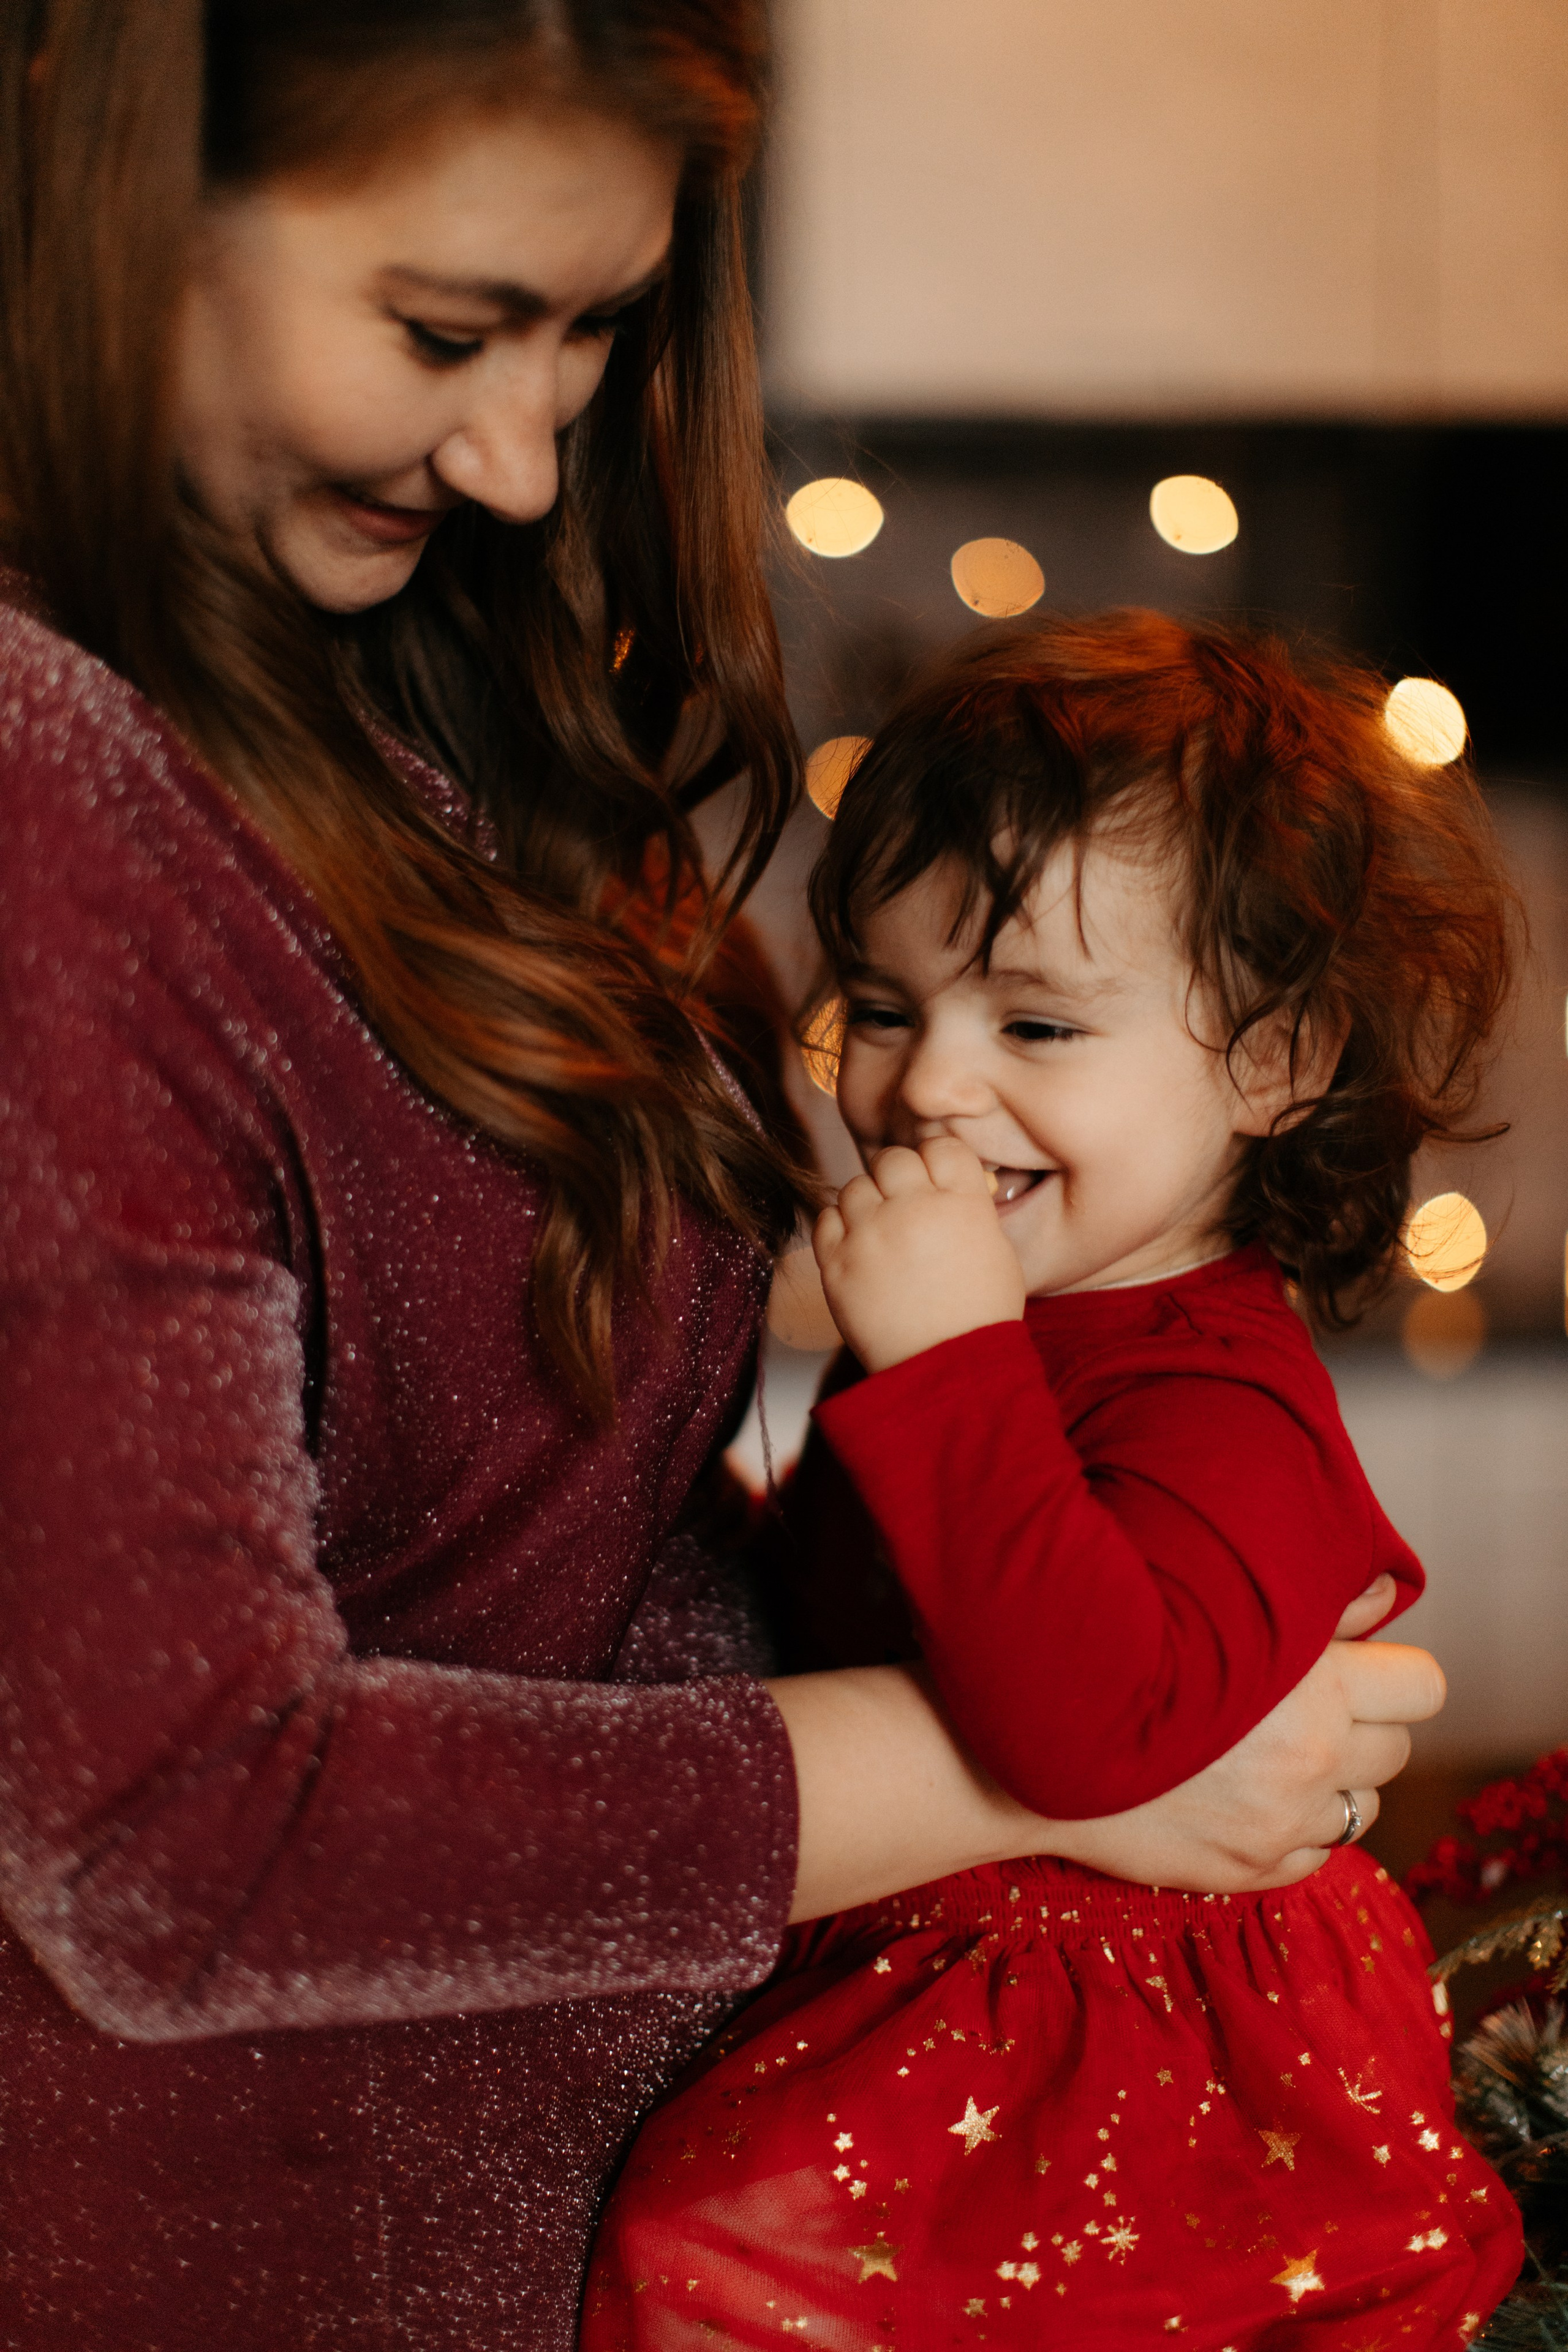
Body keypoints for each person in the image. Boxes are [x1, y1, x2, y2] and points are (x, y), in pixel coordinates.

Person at [0, 7, 1444, 2342]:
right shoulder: (50, 802)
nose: (512, 452)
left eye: (594, 336)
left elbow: (578, 1560)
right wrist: (1061, 1764)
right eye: (445, 328)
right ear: (118, 208)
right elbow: (188, 1838)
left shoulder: (409, 688)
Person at [581, 614, 1521, 2349]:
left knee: (706, 2262)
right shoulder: (997, 1308)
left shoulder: (1220, 1396)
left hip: (1134, 2068)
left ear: (1276, 1062)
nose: (926, 1085)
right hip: (946, 1990)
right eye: (881, 1004)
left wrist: (940, 1362)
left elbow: (1088, 1730)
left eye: (1035, 1019)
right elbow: (863, 1604)